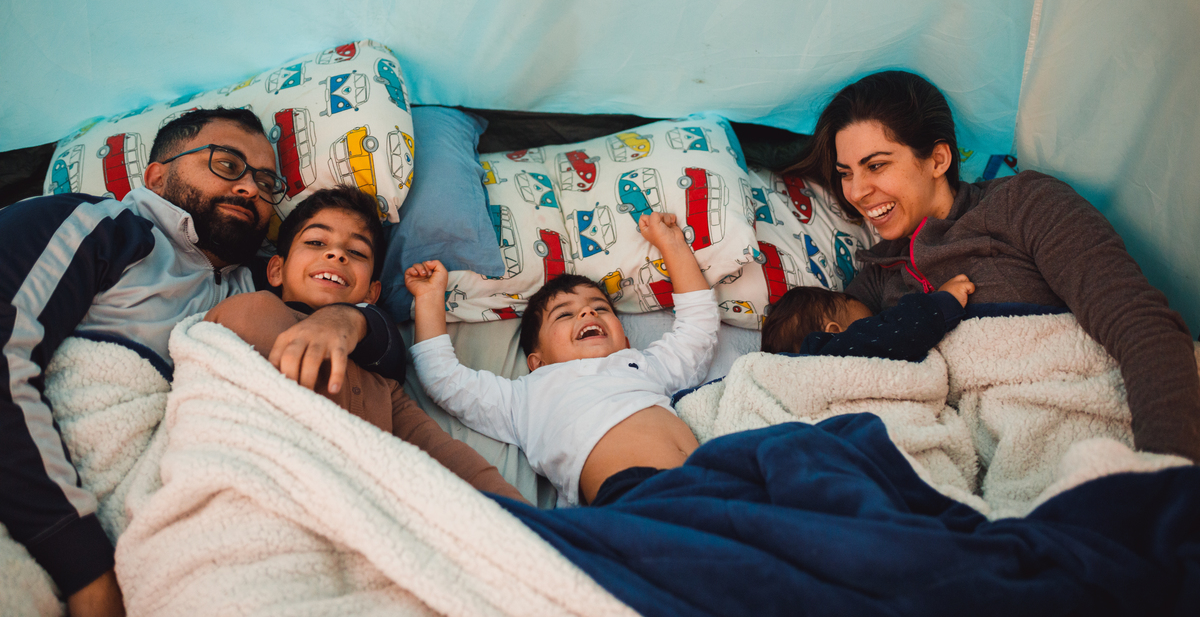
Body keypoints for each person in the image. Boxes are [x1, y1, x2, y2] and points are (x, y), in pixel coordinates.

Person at [0, 108, 403, 617]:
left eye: (265, 181)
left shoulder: (261, 284)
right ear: (156, 175)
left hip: (181, 521)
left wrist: (349, 320)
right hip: (40, 513)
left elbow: (387, 360)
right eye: (229, 165)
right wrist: (84, 566)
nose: (252, 190)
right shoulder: (94, 226)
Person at [787, 70, 1200, 462]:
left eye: (876, 166)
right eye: (845, 173)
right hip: (978, 466)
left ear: (938, 159)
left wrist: (1166, 469)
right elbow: (821, 370)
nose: (857, 192)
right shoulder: (878, 276)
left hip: (1086, 429)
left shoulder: (1025, 205)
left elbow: (1139, 324)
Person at [203, 186, 527, 503]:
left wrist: (533, 525)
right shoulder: (253, 308)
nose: (336, 254)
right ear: (276, 270)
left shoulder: (382, 388)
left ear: (371, 294)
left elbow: (452, 462)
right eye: (316, 242)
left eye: (356, 252)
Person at [405, 212, 719, 507]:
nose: (588, 312)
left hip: (714, 481)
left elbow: (697, 332)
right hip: (633, 497)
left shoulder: (640, 364)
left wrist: (672, 244)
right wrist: (429, 299)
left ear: (625, 340)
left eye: (601, 307)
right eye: (565, 314)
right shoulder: (527, 397)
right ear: (536, 362)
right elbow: (445, 379)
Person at [761, 274, 975, 361]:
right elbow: (897, 333)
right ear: (835, 332)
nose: (880, 322)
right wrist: (940, 303)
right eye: (873, 321)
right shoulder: (829, 352)